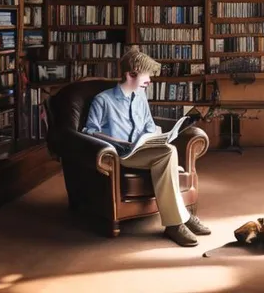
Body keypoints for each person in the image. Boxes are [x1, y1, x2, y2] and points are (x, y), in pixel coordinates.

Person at [82, 47, 211, 247]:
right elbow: (89, 131)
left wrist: (159, 136)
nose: (150, 80)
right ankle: (176, 223)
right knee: (170, 154)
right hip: (122, 155)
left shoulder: (140, 96)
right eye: (146, 75)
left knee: (168, 149)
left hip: (144, 150)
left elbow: (149, 125)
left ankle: (181, 218)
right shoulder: (103, 100)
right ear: (130, 74)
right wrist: (122, 143)